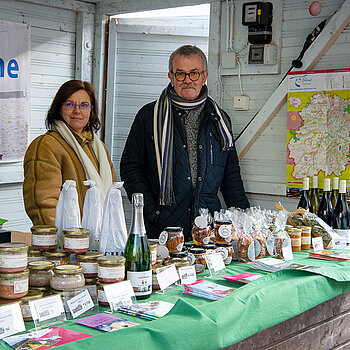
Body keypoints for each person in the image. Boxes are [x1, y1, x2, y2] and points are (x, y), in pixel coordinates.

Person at [120, 45, 249, 241]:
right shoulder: (149, 116)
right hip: (162, 229)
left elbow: (230, 175)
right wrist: (150, 211)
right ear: (171, 77)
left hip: (208, 230)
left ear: (204, 77)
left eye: (194, 73)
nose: (187, 80)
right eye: (180, 74)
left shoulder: (219, 120)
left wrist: (244, 220)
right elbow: (130, 168)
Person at [23, 80, 117, 225]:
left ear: (92, 110)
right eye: (69, 104)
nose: (77, 111)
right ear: (58, 107)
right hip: (67, 243)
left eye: (84, 105)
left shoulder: (99, 148)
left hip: (99, 241)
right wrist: (67, 241)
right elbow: (43, 205)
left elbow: (112, 196)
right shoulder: (46, 146)